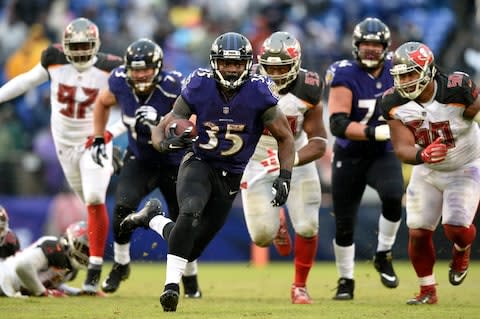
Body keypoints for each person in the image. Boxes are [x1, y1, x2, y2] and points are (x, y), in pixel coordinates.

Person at [120, 31, 295, 312]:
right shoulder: (199, 84)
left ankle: (153, 219)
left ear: (247, 64)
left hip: (232, 174)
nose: (231, 69)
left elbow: (285, 137)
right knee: (189, 211)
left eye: (237, 64)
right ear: (215, 63)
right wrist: (166, 143)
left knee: (192, 248)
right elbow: (165, 124)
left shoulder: (259, 91)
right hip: (199, 161)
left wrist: (285, 176)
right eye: (226, 63)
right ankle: (170, 288)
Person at [0, 17, 124, 294]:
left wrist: (109, 135)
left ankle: (94, 271)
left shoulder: (111, 68)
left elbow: (132, 107)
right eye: (75, 46)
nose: (80, 51)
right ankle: (109, 253)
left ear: (97, 45)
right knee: (90, 204)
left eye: (85, 45)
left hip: (93, 142)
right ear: (65, 45)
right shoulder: (53, 58)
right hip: (64, 146)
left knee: (94, 199)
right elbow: (26, 81)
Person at [91, 38, 201, 297]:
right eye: (136, 69)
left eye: (145, 70)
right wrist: (99, 137)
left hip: (175, 161)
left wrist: (162, 122)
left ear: (158, 68)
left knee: (184, 221)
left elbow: (195, 121)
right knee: (121, 207)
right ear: (127, 68)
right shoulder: (118, 80)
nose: (140, 75)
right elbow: (102, 102)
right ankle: (120, 264)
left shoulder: (173, 85)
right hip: (140, 158)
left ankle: (191, 279)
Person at [379, 41, 480, 305]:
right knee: (418, 231)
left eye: (411, 73)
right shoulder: (392, 102)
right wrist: (422, 155)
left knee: (456, 227)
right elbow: (402, 148)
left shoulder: (456, 90)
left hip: (465, 165)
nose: (405, 80)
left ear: (428, 70)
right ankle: (427, 290)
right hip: (428, 167)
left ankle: (462, 249)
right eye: (401, 74)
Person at [240, 31, 327, 304]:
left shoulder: (308, 87)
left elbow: (320, 142)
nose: (276, 74)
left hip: (296, 158)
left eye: (282, 67)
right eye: (271, 67)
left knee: (308, 224)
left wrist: (290, 161)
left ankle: (299, 286)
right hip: (255, 162)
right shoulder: (247, 83)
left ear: (296, 65)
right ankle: (277, 222)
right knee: (262, 237)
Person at [325, 17, 404, 300]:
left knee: (394, 195)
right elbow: (337, 124)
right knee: (345, 223)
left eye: (376, 44)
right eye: (365, 44)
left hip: (382, 154)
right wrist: (375, 132)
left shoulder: (398, 69)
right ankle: (346, 281)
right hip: (350, 153)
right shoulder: (344, 73)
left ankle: (383, 252)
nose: (370, 49)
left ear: (386, 47)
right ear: (356, 46)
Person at [0, 221, 91, 297]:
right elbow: (22, 267)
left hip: (8, 287)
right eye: (84, 249)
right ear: (72, 241)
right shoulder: (53, 247)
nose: (86, 255)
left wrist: (78, 292)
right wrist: (43, 292)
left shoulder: (70, 266)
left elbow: (49, 284)